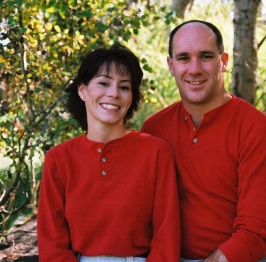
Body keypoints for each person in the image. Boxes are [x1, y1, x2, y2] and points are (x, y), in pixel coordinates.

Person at [140, 20, 266, 262]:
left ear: (224, 61)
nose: (195, 68)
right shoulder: (154, 129)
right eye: (184, 58)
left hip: (247, 257)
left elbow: (260, 229)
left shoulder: (257, 130)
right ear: (171, 65)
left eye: (206, 56)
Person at [37, 44, 180, 262]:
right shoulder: (59, 159)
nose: (113, 93)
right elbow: (51, 242)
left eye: (124, 87)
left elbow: (166, 235)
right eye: (104, 83)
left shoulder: (156, 152)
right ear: (82, 90)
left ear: (132, 97)